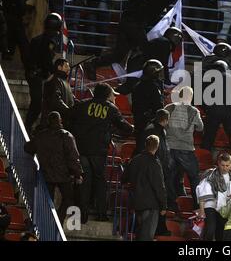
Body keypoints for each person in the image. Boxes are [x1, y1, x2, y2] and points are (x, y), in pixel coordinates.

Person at [83, 0, 181, 80]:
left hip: (125, 23)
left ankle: (93, 64)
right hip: (136, 26)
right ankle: (140, 78)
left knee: (119, 54)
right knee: (146, 50)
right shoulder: (161, 0)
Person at [70, 83, 134, 223]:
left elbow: (69, 117)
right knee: (100, 182)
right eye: (112, 95)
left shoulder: (82, 105)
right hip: (98, 152)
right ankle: (101, 213)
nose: (114, 98)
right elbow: (125, 127)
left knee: (84, 181)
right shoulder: (111, 108)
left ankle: (82, 214)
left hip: (81, 149)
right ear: (106, 95)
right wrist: (133, 129)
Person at [24, 111, 83, 223]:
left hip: (46, 174)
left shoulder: (41, 135)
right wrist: (77, 174)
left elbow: (28, 148)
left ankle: (46, 220)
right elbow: (73, 157)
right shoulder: (66, 135)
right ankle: (58, 221)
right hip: (64, 175)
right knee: (68, 199)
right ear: (60, 121)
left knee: (46, 201)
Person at [122, 135, 167, 241]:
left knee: (140, 234)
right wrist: (164, 205)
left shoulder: (135, 160)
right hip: (151, 205)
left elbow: (124, 178)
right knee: (146, 236)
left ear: (145, 145)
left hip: (137, 203)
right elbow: (159, 186)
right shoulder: (154, 163)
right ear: (157, 147)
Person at [24, 13, 63, 133]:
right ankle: (27, 127)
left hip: (33, 73)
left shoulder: (38, 38)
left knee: (38, 103)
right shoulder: (51, 39)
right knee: (37, 104)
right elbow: (46, 58)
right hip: (37, 74)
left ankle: (29, 126)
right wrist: (51, 72)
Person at [165, 86, 203, 208]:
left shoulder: (169, 108)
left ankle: (171, 205)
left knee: (169, 177)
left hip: (170, 148)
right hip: (186, 149)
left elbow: (162, 125)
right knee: (194, 177)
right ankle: (197, 206)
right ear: (190, 97)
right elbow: (200, 127)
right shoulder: (193, 111)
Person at [196, 153, 231, 241]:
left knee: (221, 231)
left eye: (227, 165)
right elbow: (202, 194)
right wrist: (202, 211)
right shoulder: (209, 175)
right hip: (210, 206)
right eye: (222, 165)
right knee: (210, 229)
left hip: (225, 207)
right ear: (218, 163)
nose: (225, 168)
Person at [132, 59, 164, 154]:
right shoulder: (152, 87)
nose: (159, 75)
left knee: (141, 146)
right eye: (157, 72)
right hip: (148, 122)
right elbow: (158, 106)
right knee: (146, 149)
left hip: (140, 121)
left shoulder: (138, 85)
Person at [40, 59, 74, 129]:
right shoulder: (54, 80)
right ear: (59, 67)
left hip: (61, 122)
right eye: (66, 66)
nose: (69, 68)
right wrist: (69, 111)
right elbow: (55, 99)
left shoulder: (64, 81)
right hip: (52, 124)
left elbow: (71, 98)